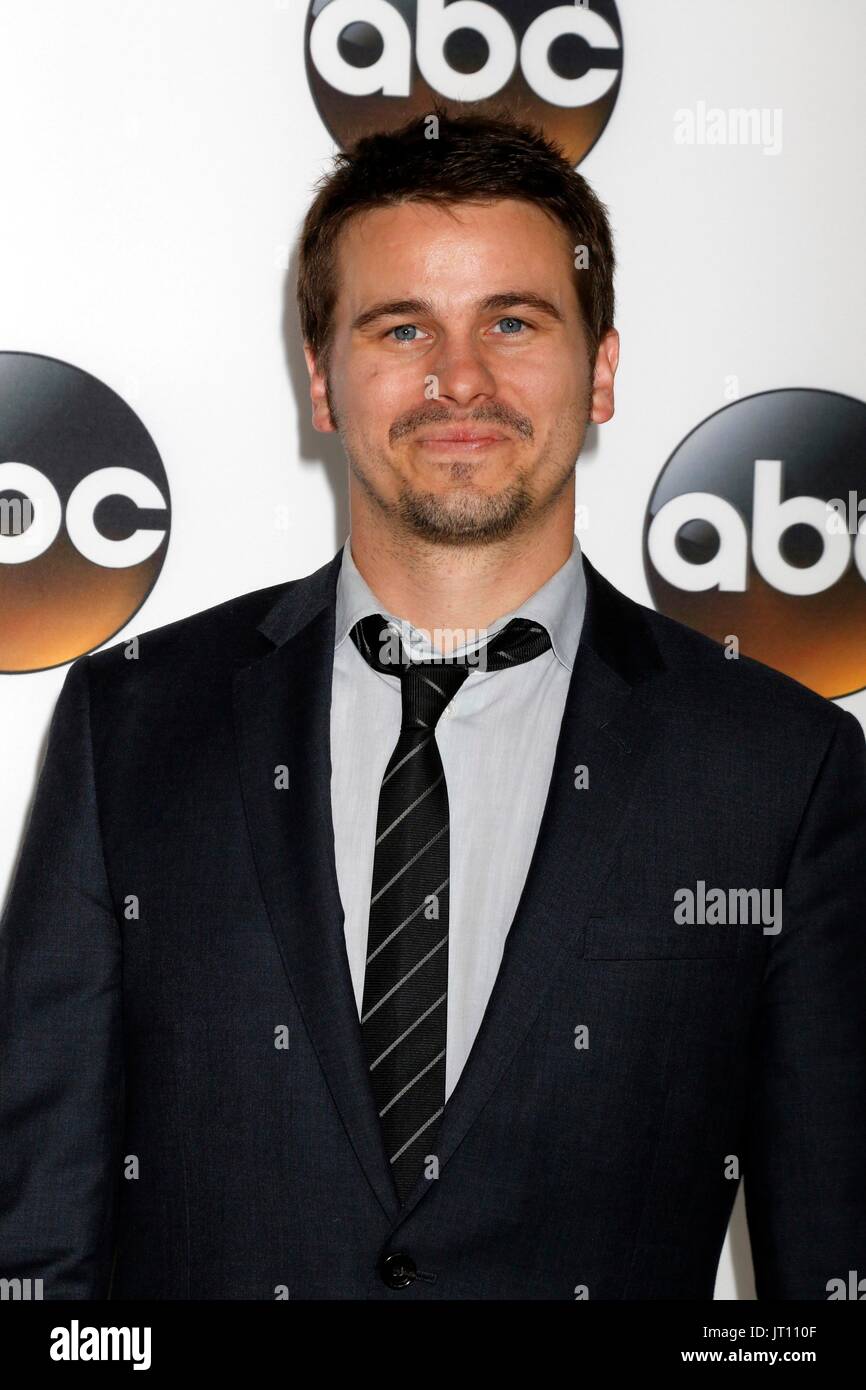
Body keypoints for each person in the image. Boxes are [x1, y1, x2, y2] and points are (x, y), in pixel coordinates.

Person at [1, 107, 864, 1301]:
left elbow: (832, 1270)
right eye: (401, 327)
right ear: (321, 382)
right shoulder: (133, 724)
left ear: (600, 368)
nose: (458, 378)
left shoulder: (780, 765)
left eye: (513, 322)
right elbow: (35, 1244)